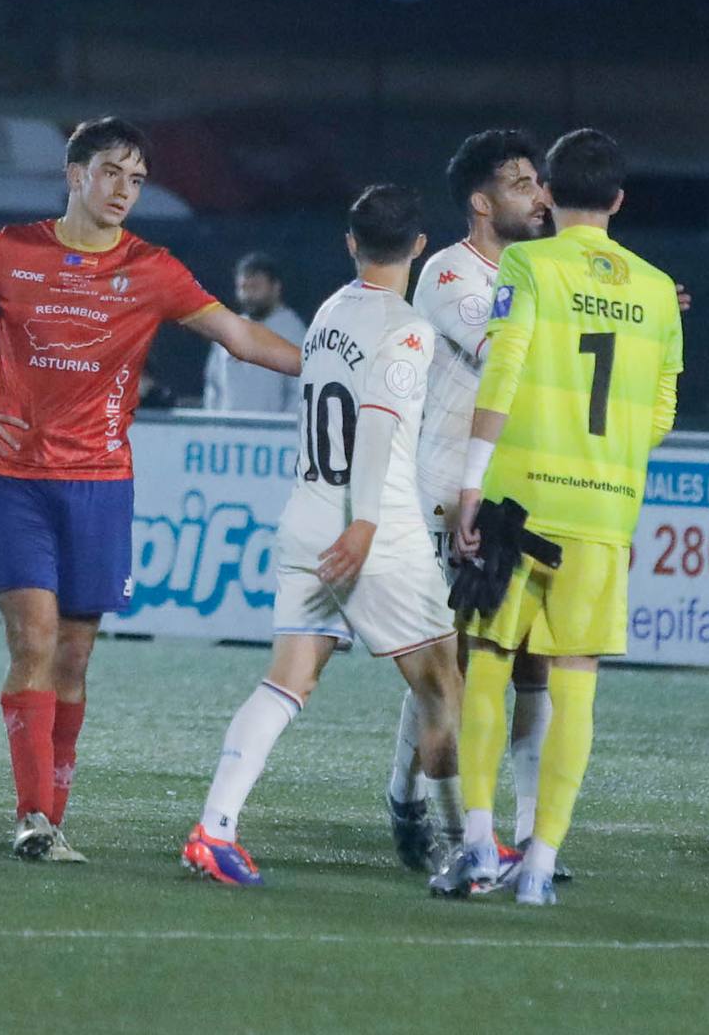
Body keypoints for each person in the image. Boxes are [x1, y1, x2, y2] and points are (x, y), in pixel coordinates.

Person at [0, 116, 301, 863]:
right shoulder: (11, 252)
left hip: (99, 484)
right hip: (16, 481)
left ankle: (52, 816)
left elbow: (242, 338)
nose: (124, 189)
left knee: (75, 662)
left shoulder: (153, 268)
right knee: (33, 641)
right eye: (112, 173)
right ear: (74, 175)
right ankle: (31, 817)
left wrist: (334, 363)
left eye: (136, 179)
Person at [185, 185, 465, 885]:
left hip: (307, 515)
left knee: (287, 683)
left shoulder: (327, 314)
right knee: (444, 689)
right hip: (373, 530)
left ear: (350, 244)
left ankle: (214, 828)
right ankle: (468, 846)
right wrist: (367, 522)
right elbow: (375, 425)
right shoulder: (407, 329)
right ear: (420, 247)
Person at [431, 129, 683, 907]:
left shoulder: (528, 264)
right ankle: (540, 862)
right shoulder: (655, 288)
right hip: (603, 511)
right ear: (617, 201)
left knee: (490, 666)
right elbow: (663, 412)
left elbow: (501, 369)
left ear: (551, 194)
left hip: (517, 499)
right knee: (575, 682)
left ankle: (477, 845)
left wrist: (473, 482)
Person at [379, 129, 555, 872]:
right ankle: (405, 795)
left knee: (534, 665)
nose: (540, 194)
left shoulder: (544, 273)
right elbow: (506, 357)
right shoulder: (451, 275)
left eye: (540, 180)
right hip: (451, 498)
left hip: (526, 490)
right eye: (521, 183)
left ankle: (531, 831)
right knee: (451, 666)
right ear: (482, 204)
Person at [200, 254, 304, 414]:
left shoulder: (293, 332)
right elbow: (213, 387)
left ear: (276, 288)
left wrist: (282, 432)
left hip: (272, 434)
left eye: (255, 287)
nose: (248, 295)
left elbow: (300, 393)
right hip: (226, 434)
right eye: (243, 288)